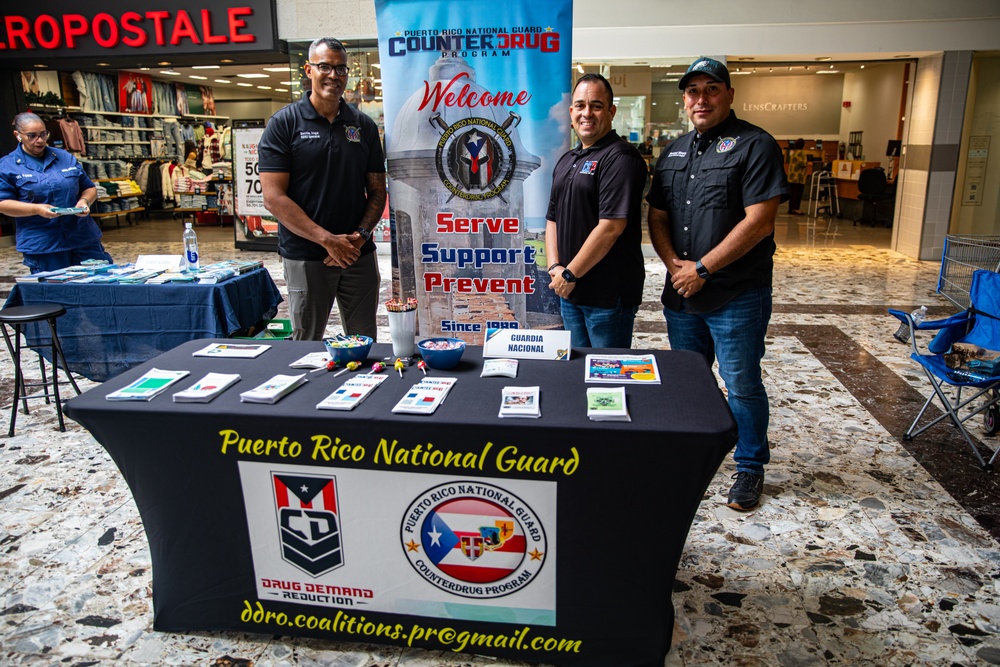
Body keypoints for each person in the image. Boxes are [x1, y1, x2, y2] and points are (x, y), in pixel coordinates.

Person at [646, 57, 788, 511]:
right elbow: (658, 215)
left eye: (711, 89)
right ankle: (692, 452)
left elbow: (760, 221)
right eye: (692, 91)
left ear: (728, 94)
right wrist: (673, 265)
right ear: (684, 99)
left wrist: (702, 268)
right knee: (688, 382)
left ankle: (749, 467)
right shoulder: (672, 151)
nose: (701, 99)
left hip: (735, 294)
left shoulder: (756, 145)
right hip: (682, 293)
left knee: (741, 382)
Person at [259, 37, 387, 341]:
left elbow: (378, 190)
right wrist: (327, 240)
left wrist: (359, 238)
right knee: (306, 344)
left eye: (341, 69)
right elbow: (273, 198)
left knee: (364, 342)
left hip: (358, 254)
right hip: (306, 254)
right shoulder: (284, 124)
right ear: (308, 69)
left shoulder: (363, 125)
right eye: (325, 67)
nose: (334, 75)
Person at [545, 73, 647, 348]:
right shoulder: (567, 159)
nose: (586, 113)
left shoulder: (621, 157)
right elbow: (552, 219)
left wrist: (570, 273)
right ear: (571, 111)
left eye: (596, 106)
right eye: (580, 105)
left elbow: (611, 227)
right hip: (570, 291)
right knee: (579, 373)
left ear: (611, 111)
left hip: (606, 297)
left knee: (608, 381)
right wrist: (555, 267)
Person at [0, 112, 113, 273]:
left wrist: (84, 201)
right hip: (44, 244)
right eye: (32, 136)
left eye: (43, 134)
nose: (39, 140)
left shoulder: (64, 157)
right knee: (57, 292)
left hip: (82, 237)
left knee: (102, 284)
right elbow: (3, 204)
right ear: (18, 135)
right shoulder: (7, 166)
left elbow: (89, 187)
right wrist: (37, 209)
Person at [786, 138, 807, 214]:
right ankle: (796, 209)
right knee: (797, 194)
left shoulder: (793, 153)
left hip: (791, 177)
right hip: (798, 178)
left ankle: (791, 209)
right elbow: (802, 164)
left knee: (792, 194)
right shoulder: (801, 153)